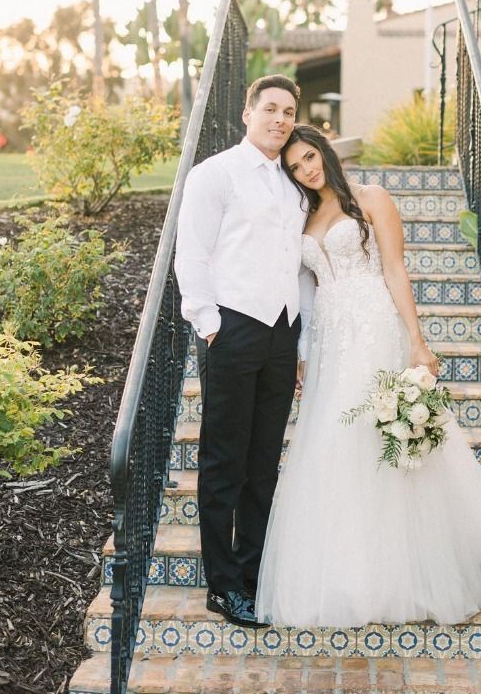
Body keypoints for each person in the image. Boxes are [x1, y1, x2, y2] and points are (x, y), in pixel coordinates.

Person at [256, 124, 481, 627]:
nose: (306, 169)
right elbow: (307, 290)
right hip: (328, 338)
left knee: (382, 433)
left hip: (375, 324)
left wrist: (417, 341)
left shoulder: (371, 197)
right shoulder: (301, 215)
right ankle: (348, 572)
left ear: (325, 151)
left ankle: (414, 566)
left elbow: (395, 270)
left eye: (310, 157)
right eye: (295, 166)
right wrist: (302, 350)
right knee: (333, 440)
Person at [175, 75, 309, 628]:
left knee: (262, 463)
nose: (280, 119)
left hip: (280, 334)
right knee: (224, 461)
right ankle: (223, 585)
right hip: (231, 328)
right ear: (247, 113)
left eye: (289, 111)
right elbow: (193, 252)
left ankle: (252, 576)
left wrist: (298, 339)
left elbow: (297, 267)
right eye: (271, 108)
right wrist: (208, 323)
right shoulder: (217, 174)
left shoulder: (294, 185)